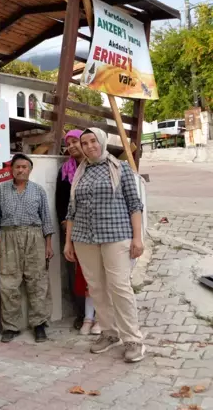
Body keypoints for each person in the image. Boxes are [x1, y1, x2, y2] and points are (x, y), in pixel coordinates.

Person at [64, 128, 146, 363]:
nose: (89, 146)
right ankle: (109, 333)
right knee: (97, 288)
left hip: (116, 236)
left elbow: (134, 205)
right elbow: (72, 210)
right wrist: (68, 242)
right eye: (84, 143)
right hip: (84, 239)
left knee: (120, 287)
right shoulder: (80, 173)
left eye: (93, 141)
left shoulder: (121, 169)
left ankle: (133, 339)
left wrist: (137, 238)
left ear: (102, 142)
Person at [0, 153, 54, 343]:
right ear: (12, 169)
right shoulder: (2, 190)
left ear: (30, 170)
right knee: (9, 282)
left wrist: (48, 245)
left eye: (24, 167)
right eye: (17, 167)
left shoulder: (38, 191)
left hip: (34, 237)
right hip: (8, 236)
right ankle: (11, 326)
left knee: (38, 281)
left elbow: (46, 219)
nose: (21, 170)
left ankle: (39, 325)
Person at [55, 130, 87, 331]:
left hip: (93, 226)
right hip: (71, 227)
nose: (72, 146)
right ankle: (81, 313)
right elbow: (60, 200)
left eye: (76, 141)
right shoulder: (64, 170)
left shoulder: (94, 166)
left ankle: (99, 313)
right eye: (69, 143)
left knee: (94, 270)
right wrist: (64, 222)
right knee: (74, 271)